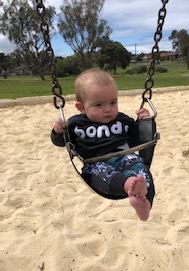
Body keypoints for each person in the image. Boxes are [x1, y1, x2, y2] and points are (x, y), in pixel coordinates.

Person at [51, 69, 155, 221]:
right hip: (95, 162)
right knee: (105, 174)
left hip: (126, 158)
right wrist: (58, 131)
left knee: (143, 173)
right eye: (98, 105)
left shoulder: (123, 120)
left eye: (113, 102)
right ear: (81, 107)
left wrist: (144, 122)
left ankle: (145, 205)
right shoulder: (76, 124)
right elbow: (61, 142)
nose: (108, 109)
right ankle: (129, 185)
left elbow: (138, 139)